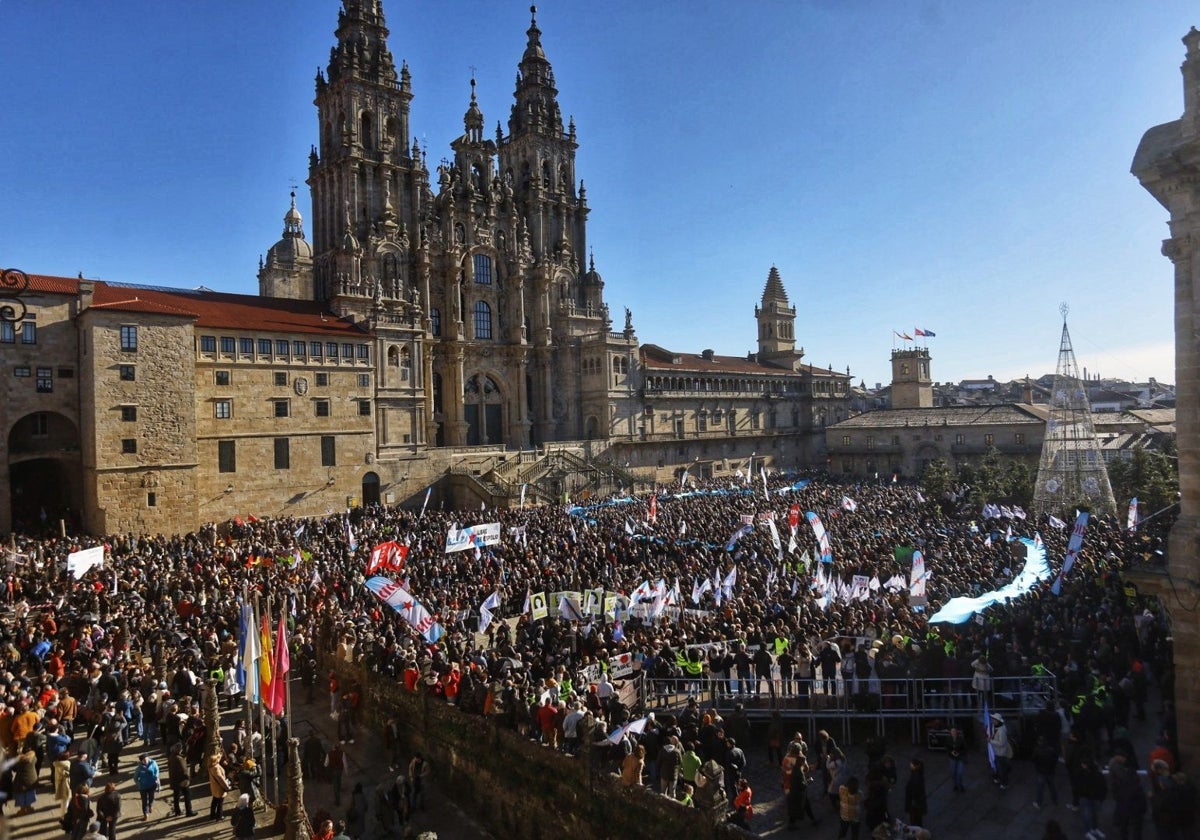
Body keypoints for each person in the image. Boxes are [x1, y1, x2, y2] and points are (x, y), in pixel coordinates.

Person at [167, 742, 195, 817]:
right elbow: (184, 770)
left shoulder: (171, 757)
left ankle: (177, 811)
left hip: (174, 780)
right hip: (182, 781)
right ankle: (189, 811)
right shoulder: (179, 759)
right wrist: (188, 778)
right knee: (187, 795)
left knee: (176, 796)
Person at [1032, 735, 1060, 809]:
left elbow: (1034, 760)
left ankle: (1039, 803)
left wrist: (1037, 768)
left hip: (1041, 772)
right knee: (1052, 787)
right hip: (1050, 771)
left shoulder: (1037, 750)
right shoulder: (1051, 750)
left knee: (1040, 788)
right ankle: (1055, 801)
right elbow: (1055, 759)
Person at [988, 714, 1012, 790]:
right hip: (998, 752)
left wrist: (991, 741)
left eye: (994, 720)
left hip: (1001, 753)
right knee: (1000, 768)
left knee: (1002, 769)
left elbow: (1001, 743)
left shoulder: (1001, 731)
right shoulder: (997, 728)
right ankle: (998, 779)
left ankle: (1004, 783)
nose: (992, 721)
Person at [133, 753, 159, 820]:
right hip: (143, 787)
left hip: (152, 785)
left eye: (146, 759)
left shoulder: (153, 763)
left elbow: (157, 770)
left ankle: (150, 805)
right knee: (144, 801)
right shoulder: (139, 768)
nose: (146, 761)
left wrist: (156, 777)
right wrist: (139, 784)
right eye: (144, 760)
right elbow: (135, 778)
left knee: (151, 797)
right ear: (141, 761)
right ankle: (145, 813)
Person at [838, 776, 862, 840]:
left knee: (843, 830)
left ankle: (841, 838)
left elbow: (841, 786)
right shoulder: (858, 796)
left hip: (844, 815)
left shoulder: (842, 790)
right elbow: (860, 802)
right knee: (855, 832)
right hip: (854, 817)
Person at [207, 753, 231, 821]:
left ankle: (212, 815)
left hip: (214, 787)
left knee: (214, 801)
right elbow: (221, 779)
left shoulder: (210, 766)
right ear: (215, 760)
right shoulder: (216, 768)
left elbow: (218, 756)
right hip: (219, 788)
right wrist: (227, 787)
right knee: (220, 802)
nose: (219, 758)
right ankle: (219, 816)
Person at [904, 758, 927, 827]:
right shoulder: (918, 775)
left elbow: (915, 791)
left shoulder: (916, 777)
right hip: (917, 802)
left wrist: (912, 801)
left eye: (911, 764)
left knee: (915, 820)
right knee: (918, 819)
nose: (910, 765)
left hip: (914, 803)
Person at [947, 726, 966, 792]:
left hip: (960, 757)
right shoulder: (949, 739)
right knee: (953, 772)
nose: (953, 733)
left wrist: (959, 753)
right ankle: (955, 785)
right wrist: (951, 752)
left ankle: (960, 785)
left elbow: (964, 749)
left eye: (954, 731)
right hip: (952, 758)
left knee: (959, 772)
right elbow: (947, 748)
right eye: (952, 731)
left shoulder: (961, 739)